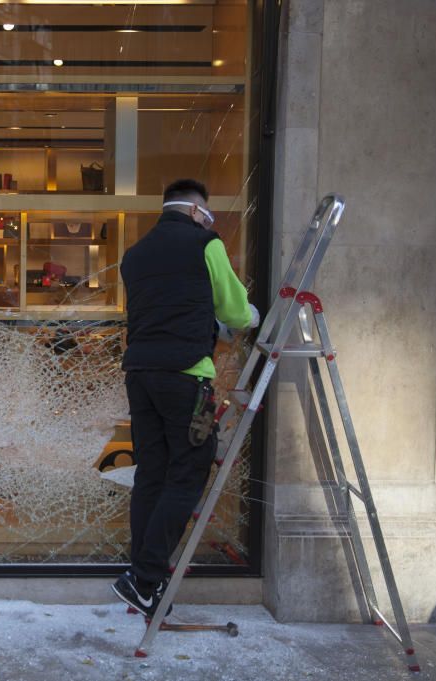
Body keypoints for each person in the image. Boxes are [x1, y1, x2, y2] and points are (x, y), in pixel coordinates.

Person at [111, 179, 259, 617]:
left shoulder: (134, 255)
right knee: (189, 472)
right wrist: (248, 315)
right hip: (184, 375)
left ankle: (143, 580)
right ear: (197, 212)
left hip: (139, 375)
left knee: (151, 475)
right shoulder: (205, 243)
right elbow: (234, 312)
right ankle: (145, 577)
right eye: (206, 215)